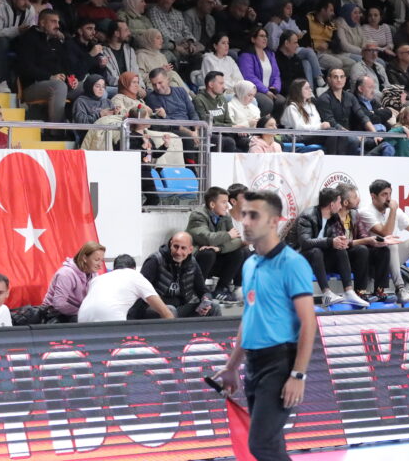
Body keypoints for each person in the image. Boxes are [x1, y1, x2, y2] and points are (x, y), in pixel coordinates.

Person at [212, 190, 317, 461]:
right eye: (244, 214)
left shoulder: (292, 264)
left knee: (262, 445)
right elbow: (250, 319)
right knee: (271, 444)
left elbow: (309, 323)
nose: (245, 221)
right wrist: (232, 366)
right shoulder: (249, 264)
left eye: (254, 216)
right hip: (254, 364)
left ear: (273, 221)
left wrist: (298, 375)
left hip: (280, 363)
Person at [293, 187, 370, 308]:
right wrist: (330, 241)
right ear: (332, 204)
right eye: (339, 202)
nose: (340, 206)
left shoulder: (333, 217)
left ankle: (349, 292)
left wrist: (340, 241)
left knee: (341, 249)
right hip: (302, 258)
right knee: (316, 251)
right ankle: (327, 294)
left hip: (321, 259)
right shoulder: (307, 216)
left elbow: (333, 239)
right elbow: (305, 243)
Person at [136, 232, 217, 318]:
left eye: (183, 248)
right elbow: (140, 290)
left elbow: (203, 290)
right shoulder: (155, 260)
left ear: (190, 250)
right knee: (171, 310)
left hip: (181, 307)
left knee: (214, 308)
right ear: (170, 244)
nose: (178, 252)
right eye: (175, 246)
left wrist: (206, 300)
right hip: (156, 308)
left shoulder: (192, 263)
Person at [187, 187, 246, 302]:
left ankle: (221, 289)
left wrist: (219, 248)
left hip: (216, 258)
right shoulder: (198, 215)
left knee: (239, 252)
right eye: (224, 202)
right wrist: (228, 235)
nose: (227, 206)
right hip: (197, 260)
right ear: (212, 204)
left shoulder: (225, 216)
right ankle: (197, 291)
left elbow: (238, 241)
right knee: (208, 253)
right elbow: (207, 238)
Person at [77, 254, 174, 322]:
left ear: (114, 269)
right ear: (134, 269)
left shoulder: (97, 279)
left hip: (82, 319)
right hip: (111, 320)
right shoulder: (135, 276)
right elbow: (165, 312)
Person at [40, 241, 105, 322]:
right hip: (53, 314)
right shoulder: (66, 274)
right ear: (85, 258)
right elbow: (59, 304)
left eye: (102, 260)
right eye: (96, 260)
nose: (100, 265)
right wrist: (83, 313)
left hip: (75, 313)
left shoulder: (94, 274)